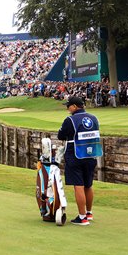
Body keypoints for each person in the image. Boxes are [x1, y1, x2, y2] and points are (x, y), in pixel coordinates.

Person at [57, 96, 102, 226]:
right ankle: (89, 213)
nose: (67, 108)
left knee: (79, 185)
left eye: (68, 106)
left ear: (75, 106)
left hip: (75, 154)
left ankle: (82, 217)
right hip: (91, 154)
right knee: (88, 184)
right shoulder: (94, 118)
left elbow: (61, 135)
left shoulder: (70, 120)